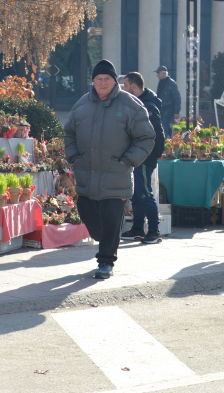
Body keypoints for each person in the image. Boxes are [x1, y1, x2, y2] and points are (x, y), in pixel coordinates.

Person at [64, 60, 156, 279]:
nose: (103, 83)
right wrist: (74, 156)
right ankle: (105, 239)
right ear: (93, 82)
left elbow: (146, 137)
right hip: (87, 175)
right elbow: (69, 133)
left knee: (111, 219)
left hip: (117, 177)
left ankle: (106, 262)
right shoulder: (82, 104)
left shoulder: (130, 104)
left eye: (107, 79)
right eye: (99, 79)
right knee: (88, 214)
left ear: (115, 82)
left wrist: (127, 161)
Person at [121, 72, 166, 244]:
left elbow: (158, 134)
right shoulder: (137, 104)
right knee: (136, 194)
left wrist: (154, 154)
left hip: (145, 157)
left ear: (133, 86)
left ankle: (154, 231)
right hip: (135, 156)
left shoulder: (148, 106)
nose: (123, 89)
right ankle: (138, 229)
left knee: (145, 193)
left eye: (125, 85)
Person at [155, 66, 181, 138]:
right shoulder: (160, 82)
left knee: (163, 125)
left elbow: (177, 97)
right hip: (161, 107)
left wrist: (176, 111)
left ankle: (164, 142)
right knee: (163, 124)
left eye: (158, 73)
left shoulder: (172, 83)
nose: (157, 75)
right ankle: (173, 137)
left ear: (164, 73)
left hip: (169, 108)